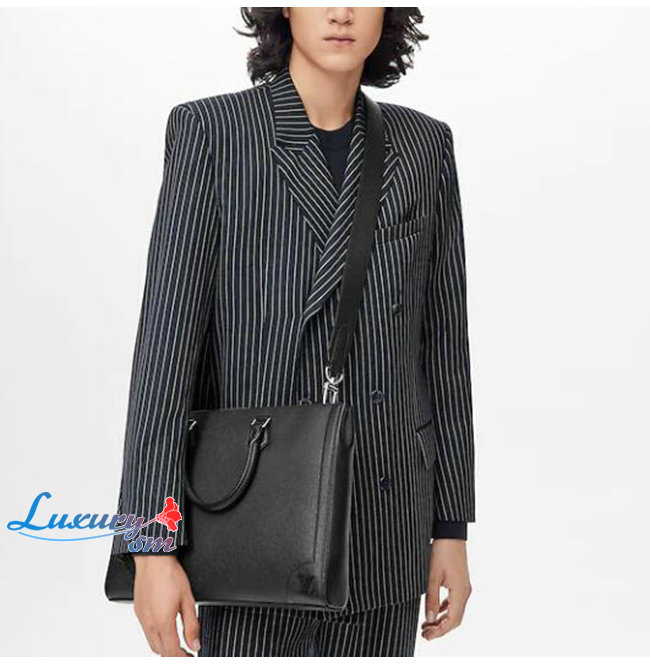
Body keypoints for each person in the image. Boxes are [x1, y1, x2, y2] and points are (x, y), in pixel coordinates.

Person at [108, 7, 475, 657]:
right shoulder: (214, 132)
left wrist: (450, 527)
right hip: (250, 517)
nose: (341, 12)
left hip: (385, 519)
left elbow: (443, 346)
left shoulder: (423, 145)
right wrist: (149, 545)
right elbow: (165, 351)